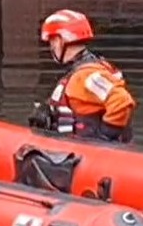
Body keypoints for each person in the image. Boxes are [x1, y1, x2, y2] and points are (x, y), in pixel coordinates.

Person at [29, 8, 137, 143]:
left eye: (52, 42)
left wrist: (105, 137)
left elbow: (122, 101)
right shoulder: (89, 69)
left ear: (60, 41)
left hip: (93, 152)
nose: (52, 47)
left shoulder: (86, 75)